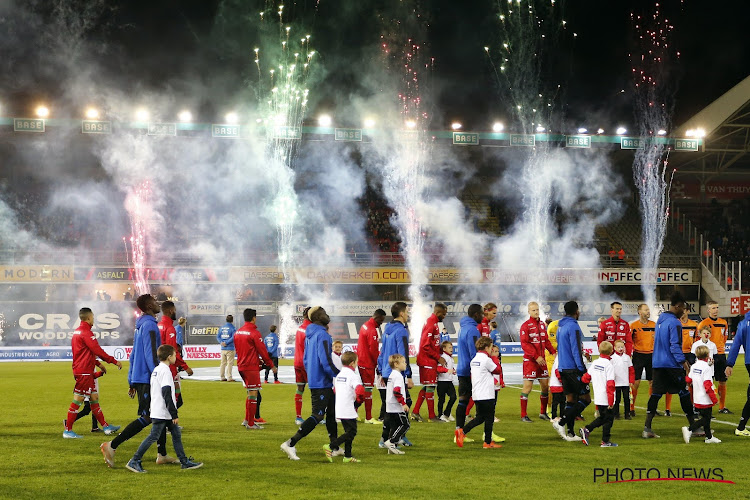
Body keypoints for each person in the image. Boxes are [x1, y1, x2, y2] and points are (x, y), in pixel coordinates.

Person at [101, 294, 171, 468]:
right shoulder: (150, 325)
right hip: (148, 378)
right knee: (148, 416)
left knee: (160, 414)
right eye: (154, 302)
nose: (157, 304)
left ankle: (162, 454)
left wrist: (131, 379)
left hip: (141, 377)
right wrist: (160, 375)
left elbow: (133, 354)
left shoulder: (140, 326)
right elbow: (151, 354)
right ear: (148, 306)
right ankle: (112, 445)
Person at [125, 345, 203, 472]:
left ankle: (184, 462)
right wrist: (174, 414)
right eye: (174, 355)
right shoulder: (166, 371)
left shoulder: (156, 369)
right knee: (153, 436)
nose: (176, 357)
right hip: (162, 411)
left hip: (158, 409)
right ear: (169, 357)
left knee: (176, 433)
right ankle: (135, 460)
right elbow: (166, 393)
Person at [281, 306, 340, 461]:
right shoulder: (323, 336)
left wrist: (313, 374)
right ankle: (290, 443)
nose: (328, 315)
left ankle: (334, 446)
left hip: (317, 380)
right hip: (322, 381)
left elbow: (306, 359)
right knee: (318, 415)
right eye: (324, 313)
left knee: (332, 414)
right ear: (318, 317)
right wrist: (339, 374)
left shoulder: (310, 335)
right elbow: (325, 361)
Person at [642, 292, 697, 439]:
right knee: (684, 393)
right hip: (671, 364)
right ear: (678, 306)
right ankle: (694, 427)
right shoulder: (675, 323)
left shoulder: (661, 320)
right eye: (683, 309)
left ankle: (647, 428)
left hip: (658, 363)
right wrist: (683, 362)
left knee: (656, 394)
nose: (684, 312)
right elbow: (674, 345)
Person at [64, 307, 122, 438]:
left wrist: (98, 366)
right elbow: (97, 350)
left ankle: (106, 426)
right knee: (77, 401)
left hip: (84, 370)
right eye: (93, 317)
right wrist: (113, 361)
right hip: (84, 372)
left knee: (94, 399)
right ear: (89, 317)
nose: (94, 319)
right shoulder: (86, 333)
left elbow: (86, 354)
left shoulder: (77, 332)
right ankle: (68, 430)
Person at [377, 302, 415, 447]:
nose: (408, 313)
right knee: (401, 405)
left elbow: (382, 351)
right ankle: (393, 437)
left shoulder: (387, 328)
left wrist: (381, 370)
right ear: (401, 313)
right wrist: (409, 375)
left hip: (387, 372)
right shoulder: (401, 331)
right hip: (397, 373)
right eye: (406, 311)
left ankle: (392, 437)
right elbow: (403, 354)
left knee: (394, 406)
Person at [551, 301, 590, 442]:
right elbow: (576, 350)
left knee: (571, 400)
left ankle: (571, 433)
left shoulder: (560, 326)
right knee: (586, 399)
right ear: (576, 311)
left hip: (563, 368)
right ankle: (561, 422)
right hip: (573, 369)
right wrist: (582, 369)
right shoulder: (573, 326)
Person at [455, 337, 503, 449]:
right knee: (489, 418)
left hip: (477, 393)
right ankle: (487, 442)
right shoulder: (487, 360)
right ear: (486, 347)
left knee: (480, 417)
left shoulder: (474, 359)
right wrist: (495, 358)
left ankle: (463, 431)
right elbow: (497, 370)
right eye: (491, 347)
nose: (492, 350)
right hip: (486, 393)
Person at [235, 308, 277, 430]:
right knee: (254, 394)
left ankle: (247, 419)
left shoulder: (238, 332)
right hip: (251, 367)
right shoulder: (254, 333)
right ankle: (251, 423)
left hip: (241, 366)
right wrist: (271, 365)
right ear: (254, 318)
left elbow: (241, 350)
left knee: (249, 393)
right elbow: (262, 351)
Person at [325, 351, 365, 463]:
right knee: (352, 431)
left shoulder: (339, 375)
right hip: (348, 407)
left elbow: (335, 390)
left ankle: (348, 456)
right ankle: (331, 446)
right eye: (356, 362)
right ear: (352, 363)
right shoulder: (353, 376)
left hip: (339, 406)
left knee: (349, 431)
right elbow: (360, 391)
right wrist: (358, 402)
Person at [519, 301, 555, 423]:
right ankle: (523, 415)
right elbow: (524, 344)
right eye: (533, 310)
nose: (536, 312)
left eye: (537, 309)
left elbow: (546, 340)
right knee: (527, 387)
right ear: (529, 312)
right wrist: (536, 356)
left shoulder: (541, 325)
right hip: (530, 361)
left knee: (545, 386)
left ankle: (543, 413)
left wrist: (552, 351)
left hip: (542, 361)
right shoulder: (525, 326)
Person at [412, 303, 448, 423]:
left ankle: (416, 412)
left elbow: (432, 343)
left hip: (429, 360)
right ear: (438, 313)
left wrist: (441, 350)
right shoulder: (430, 324)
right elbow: (425, 346)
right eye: (443, 314)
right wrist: (438, 357)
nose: (444, 316)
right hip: (427, 361)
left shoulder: (434, 324)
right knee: (431, 387)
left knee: (428, 386)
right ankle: (432, 416)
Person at [579, 341, 617, 447]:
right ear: (611, 351)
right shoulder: (609, 365)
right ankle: (604, 440)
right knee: (608, 420)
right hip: (606, 397)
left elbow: (586, 378)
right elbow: (610, 384)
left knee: (603, 417)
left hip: (598, 396)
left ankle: (587, 430)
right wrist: (611, 400)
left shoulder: (595, 362)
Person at [682, 345, 721, 444]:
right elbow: (707, 385)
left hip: (697, 397)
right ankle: (689, 429)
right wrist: (714, 399)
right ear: (707, 355)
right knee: (706, 418)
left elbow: (688, 379)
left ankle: (709, 437)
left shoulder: (694, 366)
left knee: (706, 418)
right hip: (705, 398)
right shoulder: (706, 368)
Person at [455, 303, 483, 441]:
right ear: (476, 314)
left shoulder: (463, 328)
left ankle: (458, 431)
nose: (483, 316)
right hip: (470, 370)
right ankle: (485, 434)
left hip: (462, 369)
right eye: (482, 314)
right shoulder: (473, 330)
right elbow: (475, 352)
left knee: (463, 402)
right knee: (483, 403)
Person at [158, 301, 193, 408]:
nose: (175, 312)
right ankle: (169, 422)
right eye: (175, 310)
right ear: (171, 311)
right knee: (175, 397)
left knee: (165, 395)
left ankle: (167, 422)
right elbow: (172, 351)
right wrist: (185, 367)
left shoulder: (158, 325)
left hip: (159, 366)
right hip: (170, 368)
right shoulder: (169, 328)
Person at [697, 301, 730, 413]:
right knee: (708, 381)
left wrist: (720, 347)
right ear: (708, 310)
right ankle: (706, 406)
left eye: (717, 307)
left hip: (721, 354)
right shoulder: (703, 324)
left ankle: (722, 407)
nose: (715, 310)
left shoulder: (723, 322)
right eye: (713, 308)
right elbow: (699, 340)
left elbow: (725, 337)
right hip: (709, 355)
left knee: (722, 381)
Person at [356, 309, 386, 424]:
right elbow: (373, 350)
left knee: (364, 389)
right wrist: (377, 363)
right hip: (367, 363)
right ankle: (368, 418)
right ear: (377, 317)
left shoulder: (365, 325)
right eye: (381, 320)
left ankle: (354, 411)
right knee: (368, 390)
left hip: (362, 361)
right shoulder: (372, 330)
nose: (381, 323)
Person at [725, 308, 750, 437]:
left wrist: (730, 364)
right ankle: (741, 427)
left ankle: (741, 426)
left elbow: (735, 345)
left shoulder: (743, 323)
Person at [381, 354, 411, 455]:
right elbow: (396, 391)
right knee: (405, 424)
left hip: (390, 405)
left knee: (394, 427)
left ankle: (391, 448)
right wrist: (403, 403)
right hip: (396, 406)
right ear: (396, 364)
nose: (405, 364)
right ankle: (392, 442)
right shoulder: (398, 376)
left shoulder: (392, 374)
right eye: (403, 362)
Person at [630, 304, 655, 417]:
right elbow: (629, 341)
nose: (648, 311)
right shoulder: (634, 326)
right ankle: (631, 407)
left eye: (648, 310)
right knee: (636, 382)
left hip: (651, 355)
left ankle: (651, 408)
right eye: (645, 310)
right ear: (639, 312)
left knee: (652, 382)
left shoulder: (654, 325)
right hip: (638, 355)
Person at [294, 307, 312, 425]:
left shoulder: (300, 328)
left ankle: (298, 417)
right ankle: (317, 415)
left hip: (297, 362)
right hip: (308, 363)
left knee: (300, 388)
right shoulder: (311, 329)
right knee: (316, 390)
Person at [611, 340, 634, 420]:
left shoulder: (627, 357)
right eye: (618, 347)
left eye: (622, 347)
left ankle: (627, 414)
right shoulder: (612, 358)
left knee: (626, 399)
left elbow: (631, 370)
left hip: (625, 383)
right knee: (617, 399)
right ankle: (616, 414)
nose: (620, 348)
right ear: (614, 348)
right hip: (616, 383)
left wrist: (631, 381)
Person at [436, 341, 456, 422]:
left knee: (453, 397)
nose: (451, 349)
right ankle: (440, 415)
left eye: (452, 347)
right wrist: (447, 370)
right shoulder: (443, 358)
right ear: (444, 349)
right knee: (442, 399)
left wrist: (453, 370)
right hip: (442, 381)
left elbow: (449, 367)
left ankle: (447, 413)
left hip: (449, 381)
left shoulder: (450, 358)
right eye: (449, 347)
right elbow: (438, 369)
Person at [217, 315, 236, 382]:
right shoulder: (233, 328)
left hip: (223, 348)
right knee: (230, 363)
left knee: (223, 363)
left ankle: (222, 376)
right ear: (232, 320)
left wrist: (221, 342)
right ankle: (229, 377)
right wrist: (227, 342)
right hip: (230, 347)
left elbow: (218, 336)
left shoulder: (222, 328)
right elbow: (234, 337)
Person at [548, 355, 565, 420]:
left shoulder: (561, 357)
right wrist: (563, 381)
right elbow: (557, 371)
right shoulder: (559, 358)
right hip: (556, 384)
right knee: (556, 401)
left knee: (562, 401)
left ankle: (562, 416)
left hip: (559, 384)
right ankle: (554, 416)